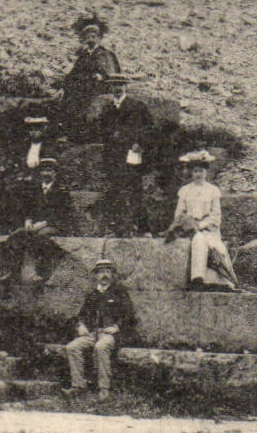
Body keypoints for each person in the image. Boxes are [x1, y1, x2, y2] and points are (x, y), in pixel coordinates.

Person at [164, 151, 240, 291]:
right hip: (189, 229)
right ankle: (197, 279)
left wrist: (201, 225)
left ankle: (222, 282)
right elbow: (179, 214)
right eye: (195, 171)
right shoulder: (185, 190)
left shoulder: (213, 191)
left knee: (217, 248)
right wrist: (190, 224)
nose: (198, 174)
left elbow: (215, 217)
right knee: (199, 240)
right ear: (191, 173)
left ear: (206, 172)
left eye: (201, 171)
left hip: (209, 229)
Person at [64, 258, 136, 398]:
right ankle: (78, 386)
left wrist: (116, 327)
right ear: (96, 275)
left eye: (108, 271)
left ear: (112, 275)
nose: (105, 275)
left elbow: (129, 315)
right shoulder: (92, 294)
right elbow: (82, 315)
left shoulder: (119, 293)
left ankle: (104, 389)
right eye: (101, 272)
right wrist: (81, 325)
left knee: (101, 347)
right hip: (92, 333)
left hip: (110, 334)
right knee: (72, 347)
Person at [0, 158, 73, 283]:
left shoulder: (62, 191)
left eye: (49, 170)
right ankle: (12, 272)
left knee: (41, 237)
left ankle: (41, 273)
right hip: (35, 225)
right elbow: (29, 208)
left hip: (53, 225)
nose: (46, 173)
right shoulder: (35, 190)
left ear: (55, 173)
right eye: (43, 170)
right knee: (16, 235)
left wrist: (45, 223)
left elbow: (62, 213)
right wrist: (28, 220)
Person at [92, 74, 152, 235]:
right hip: (113, 156)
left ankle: (143, 228)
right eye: (114, 85)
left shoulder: (137, 106)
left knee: (135, 190)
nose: (117, 88)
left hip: (131, 154)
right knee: (116, 191)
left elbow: (149, 128)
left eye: (120, 84)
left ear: (125, 86)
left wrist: (140, 143)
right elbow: (102, 130)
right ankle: (120, 228)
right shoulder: (107, 108)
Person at [60, 15, 120, 135]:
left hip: (98, 88)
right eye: (88, 37)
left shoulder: (104, 54)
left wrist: (102, 77)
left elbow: (111, 73)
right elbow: (73, 73)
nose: (90, 39)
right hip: (81, 88)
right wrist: (63, 87)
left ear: (99, 38)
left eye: (93, 36)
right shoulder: (83, 55)